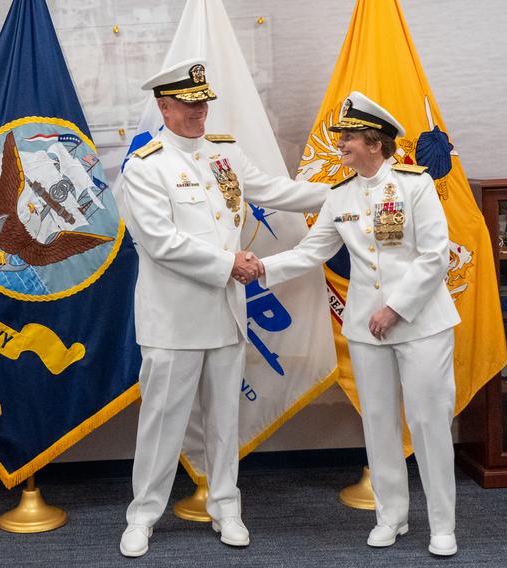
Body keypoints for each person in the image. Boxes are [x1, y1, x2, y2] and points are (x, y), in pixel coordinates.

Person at [118, 58, 330, 557]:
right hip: (172, 319)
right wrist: (228, 263)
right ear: (164, 106)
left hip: (227, 313)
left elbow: (278, 192)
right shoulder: (145, 168)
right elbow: (160, 243)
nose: (199, 112)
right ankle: (143, 515)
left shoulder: (224, 155)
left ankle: (226, 505)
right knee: (162, 422)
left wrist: (350, 190)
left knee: (224, 421)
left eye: (203, 103)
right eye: (188, 105)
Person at [257, 91, 461, 557]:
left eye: (348, 137)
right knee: (379, 423)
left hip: (422, 323)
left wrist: (396, 309)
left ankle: (442, 525)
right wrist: (259, 270)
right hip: (367, 329)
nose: (342, 144)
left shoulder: (415, 185)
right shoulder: (340, 196)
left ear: (374, 141)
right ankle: (392, 516)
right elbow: (313, 252)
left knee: (429, 422)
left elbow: (435, 257)